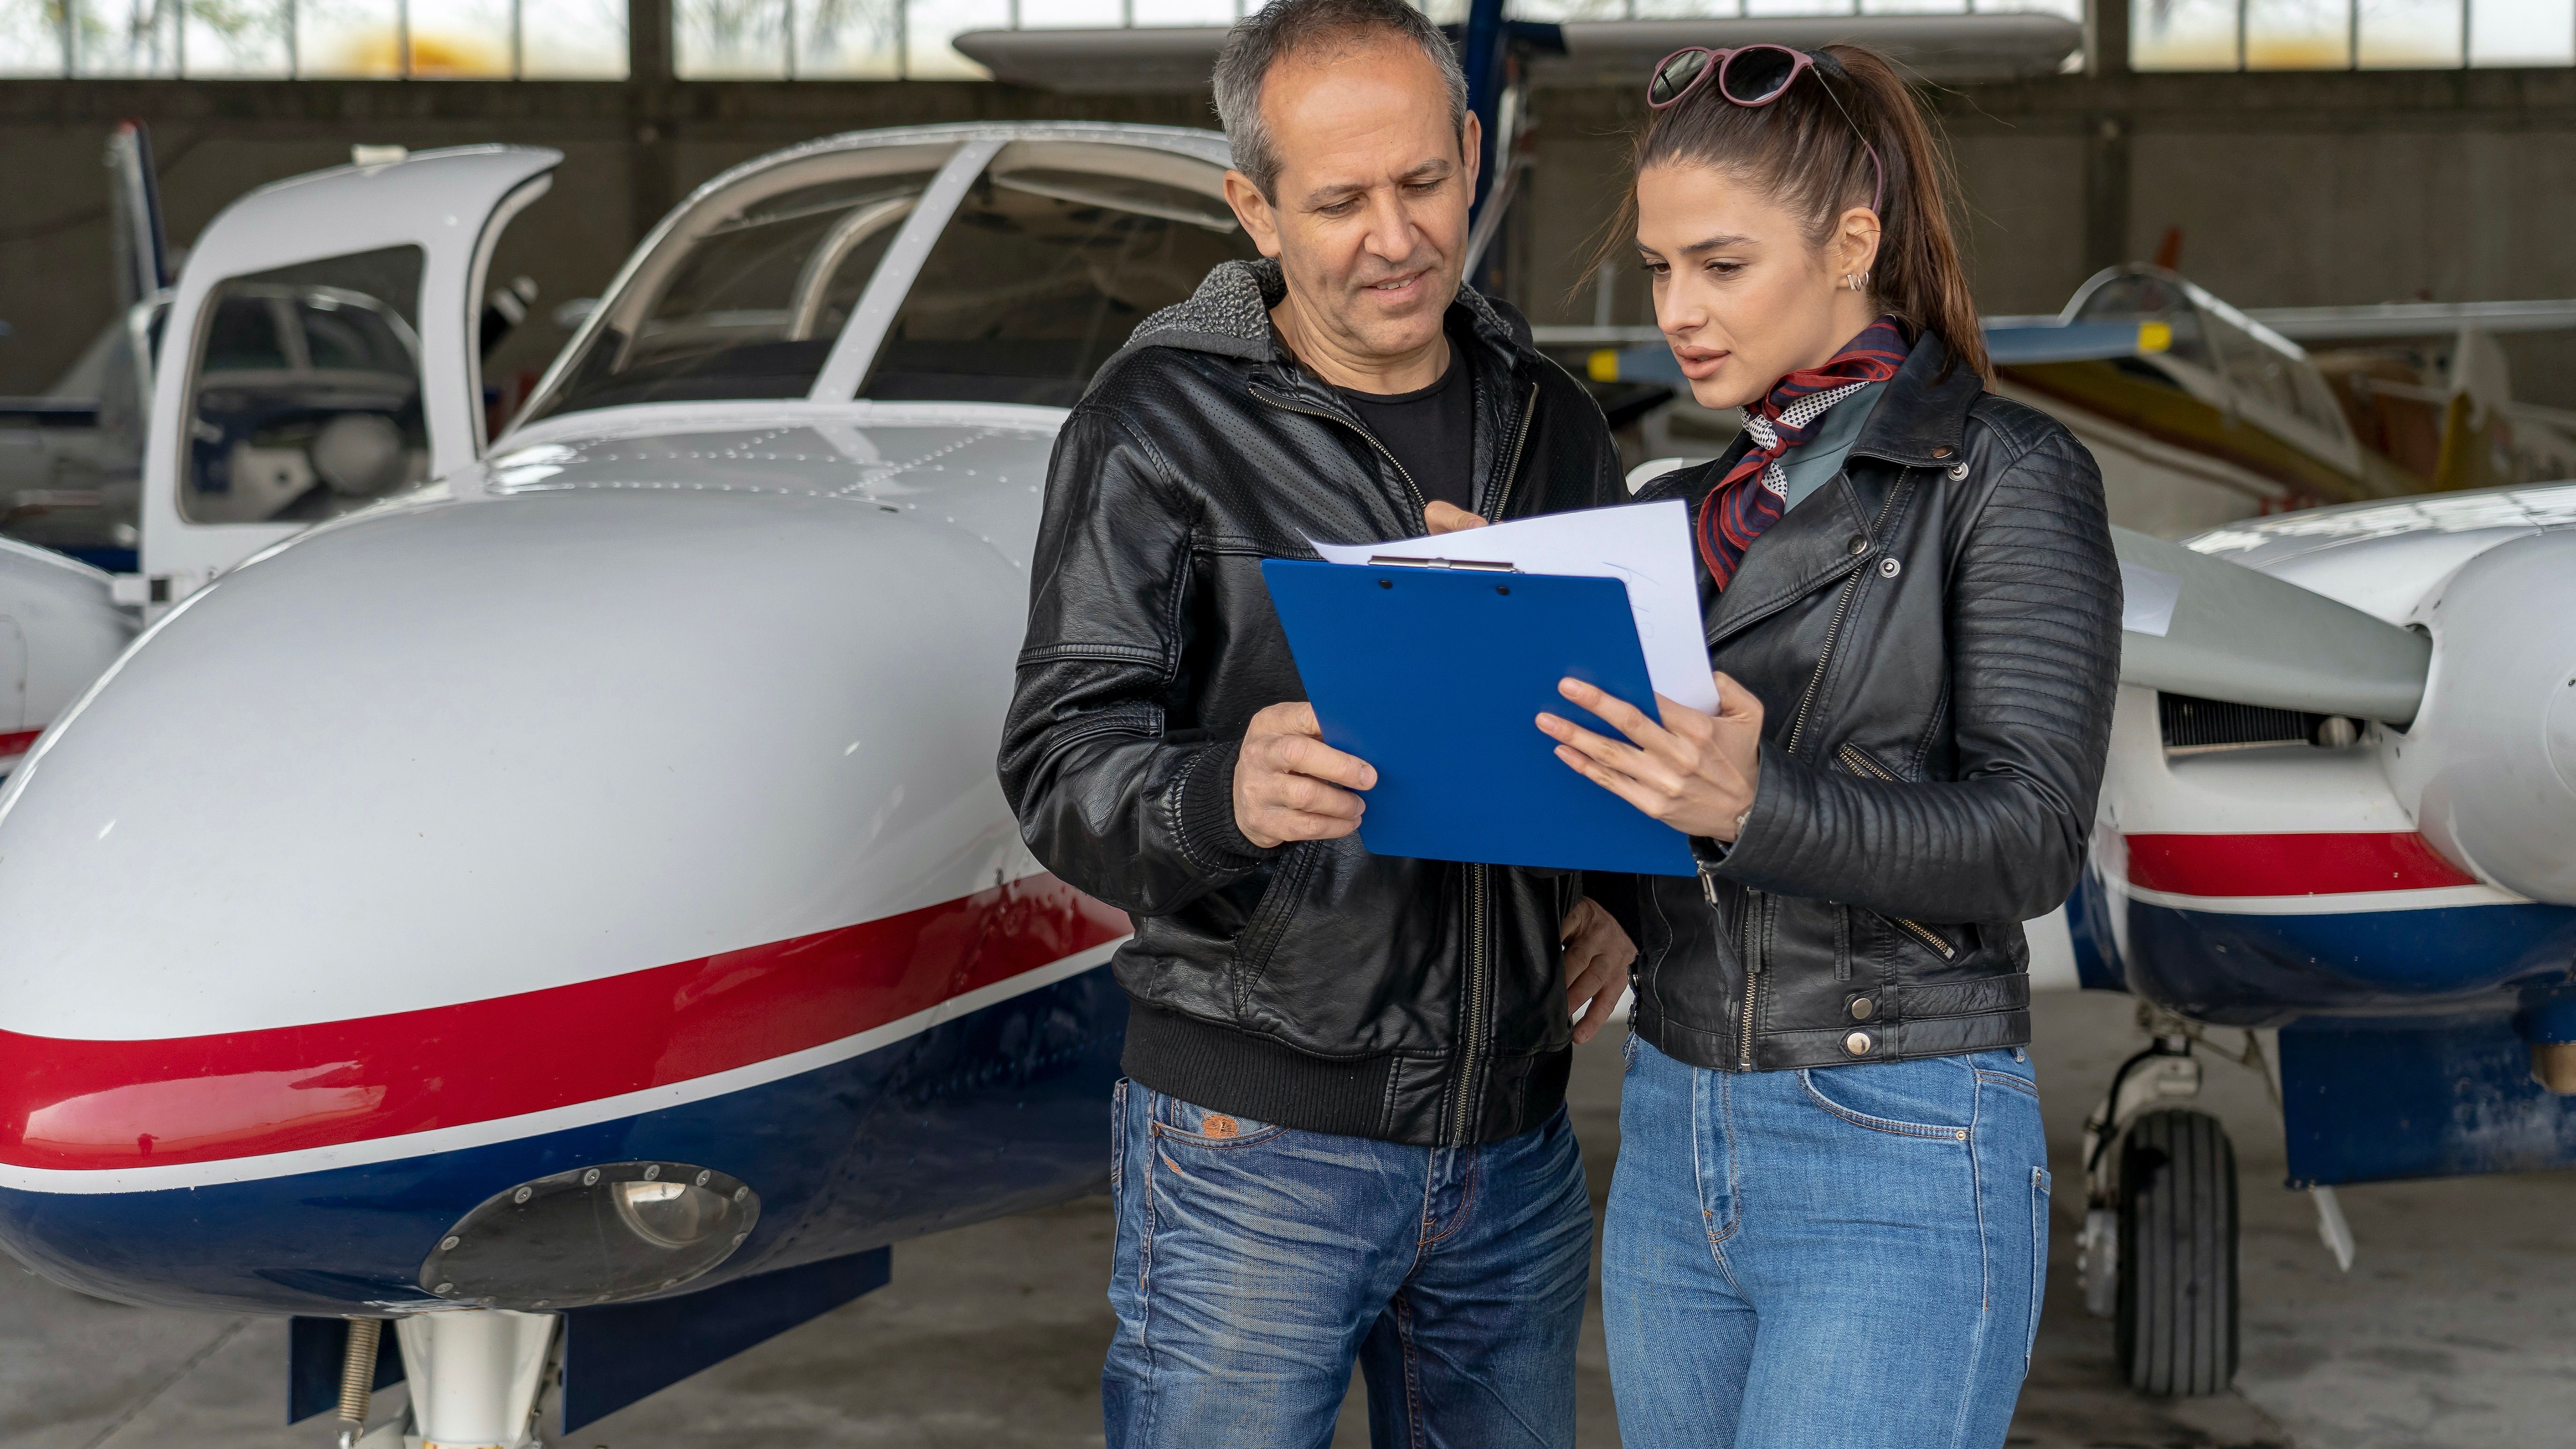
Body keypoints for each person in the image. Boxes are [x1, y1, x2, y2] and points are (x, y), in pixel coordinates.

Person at [994, 1, 1636, 1444]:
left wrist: (1612, 896)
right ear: (1254, 207)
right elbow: (1055, 764)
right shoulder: (1154, 425)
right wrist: (1223, 791)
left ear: (1472, 152)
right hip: (1251, 1148)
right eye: (1338, 201)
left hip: (1514, 1143)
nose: (1393, 236)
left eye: (1419, 182)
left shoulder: (1553, 422)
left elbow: (1605, 713)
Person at [1531, 42, 2123, 1449]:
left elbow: (2030, 837)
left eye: (1719, 267)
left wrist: (1751, 803)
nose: (1676, 311)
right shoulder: (1676, 508)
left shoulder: (2005, 480)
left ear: (1852, 243)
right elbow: (1649, 783)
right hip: (1673, 1124)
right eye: (1660, 270)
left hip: (1896, 1131)